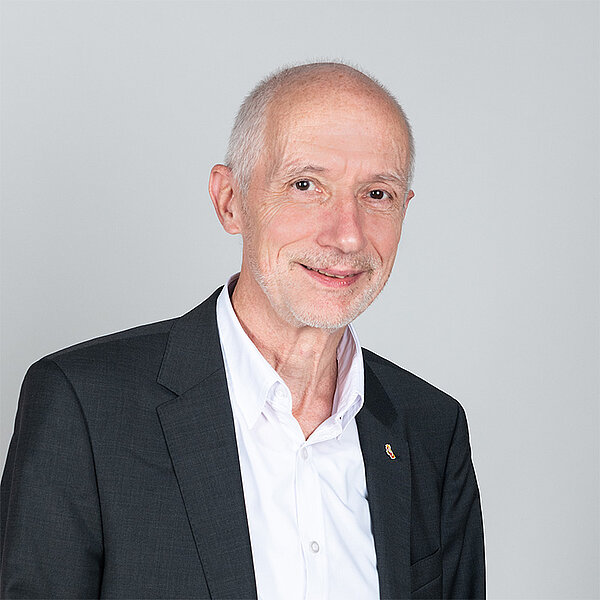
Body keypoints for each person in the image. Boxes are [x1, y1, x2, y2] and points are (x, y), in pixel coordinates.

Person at [0, 62, 485, 599]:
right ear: (230, 201)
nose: (347, 236)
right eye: (306, 185)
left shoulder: (431, 431)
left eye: (377, 194)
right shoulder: (85, 407)